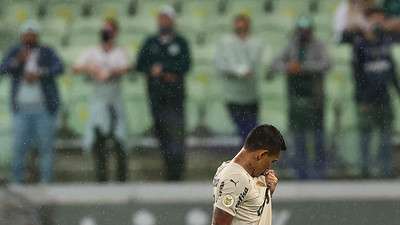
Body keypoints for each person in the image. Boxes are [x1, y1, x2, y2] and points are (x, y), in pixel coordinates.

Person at [0, 20, 64, 183]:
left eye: (32, 34)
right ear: (22, 36)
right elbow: (3, 69)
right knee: (19, 148)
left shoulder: (46, 51)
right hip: (21, 109)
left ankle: (46, 182)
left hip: (43, 109)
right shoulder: (15, 51)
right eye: (26, 34)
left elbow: (59, 67)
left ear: (37, 36)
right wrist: (18, 61)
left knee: (46, 148)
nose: (29, 37)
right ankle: (17, 182)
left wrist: (40, 73)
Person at [268, 16, 331, 179]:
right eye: (301, 30)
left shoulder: (318, 45)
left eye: (307, 30)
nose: (304, 33)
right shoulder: (292, 45)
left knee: (317, 136)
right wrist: (288, 67)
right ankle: (301, 172)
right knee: (299, 136)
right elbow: (275, 63)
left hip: (315, 98)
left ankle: (319, 172)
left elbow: (326, 64)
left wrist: (302, 67)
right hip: (296, 97)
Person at [342, 7, 400, 178]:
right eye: (374, 20)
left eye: (380, 20)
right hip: (367, 101)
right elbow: (357, 76)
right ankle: (365, 170)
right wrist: (361, 100)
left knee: (385, 136)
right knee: (366, 137)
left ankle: (385, 170)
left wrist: (397, 91)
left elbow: (391, 70)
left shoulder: (385, 42)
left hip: (385, 98)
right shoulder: (359, 44)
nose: (377, 24)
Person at [136, 5, 191, 181]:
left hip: (175, 98)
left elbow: (186, 65)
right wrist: (152, 70)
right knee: (162, 135)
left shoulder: (180, 42)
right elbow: (140, 64)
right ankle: (168, 171)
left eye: (167, 18)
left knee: (176, 135)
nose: (163, 21)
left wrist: (166, 70)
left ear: (172, 20)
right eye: (161, 18)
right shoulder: (150, 42)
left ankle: (177, 175)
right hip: (155, 96)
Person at [73, 18, 130, 182]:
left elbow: (127, 67)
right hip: (98, 101)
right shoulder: (92, 52)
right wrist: (91, 68)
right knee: (99, 143)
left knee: (119, 140)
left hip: (114, 100)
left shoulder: (119, 52)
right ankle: (101, 179)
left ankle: (121, 180)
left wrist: (111, 72)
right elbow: (76, 67)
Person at [211, 124, 286, 225]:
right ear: (261, 155)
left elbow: (250, 211)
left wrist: (268, 192)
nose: (269, 168)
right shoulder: (234, 178)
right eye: (271, 161)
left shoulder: (240, 173)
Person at [215, 14, 264, 145]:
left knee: (251, 132)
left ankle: (251, 162)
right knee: (245, 132)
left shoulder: (256, 42)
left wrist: (246, 71)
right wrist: (239, 72)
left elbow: (257, 64)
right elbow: (220, 65)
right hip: (233, 96)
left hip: (251, 95)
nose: (241, 26)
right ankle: (248, 162)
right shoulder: (225, 42)